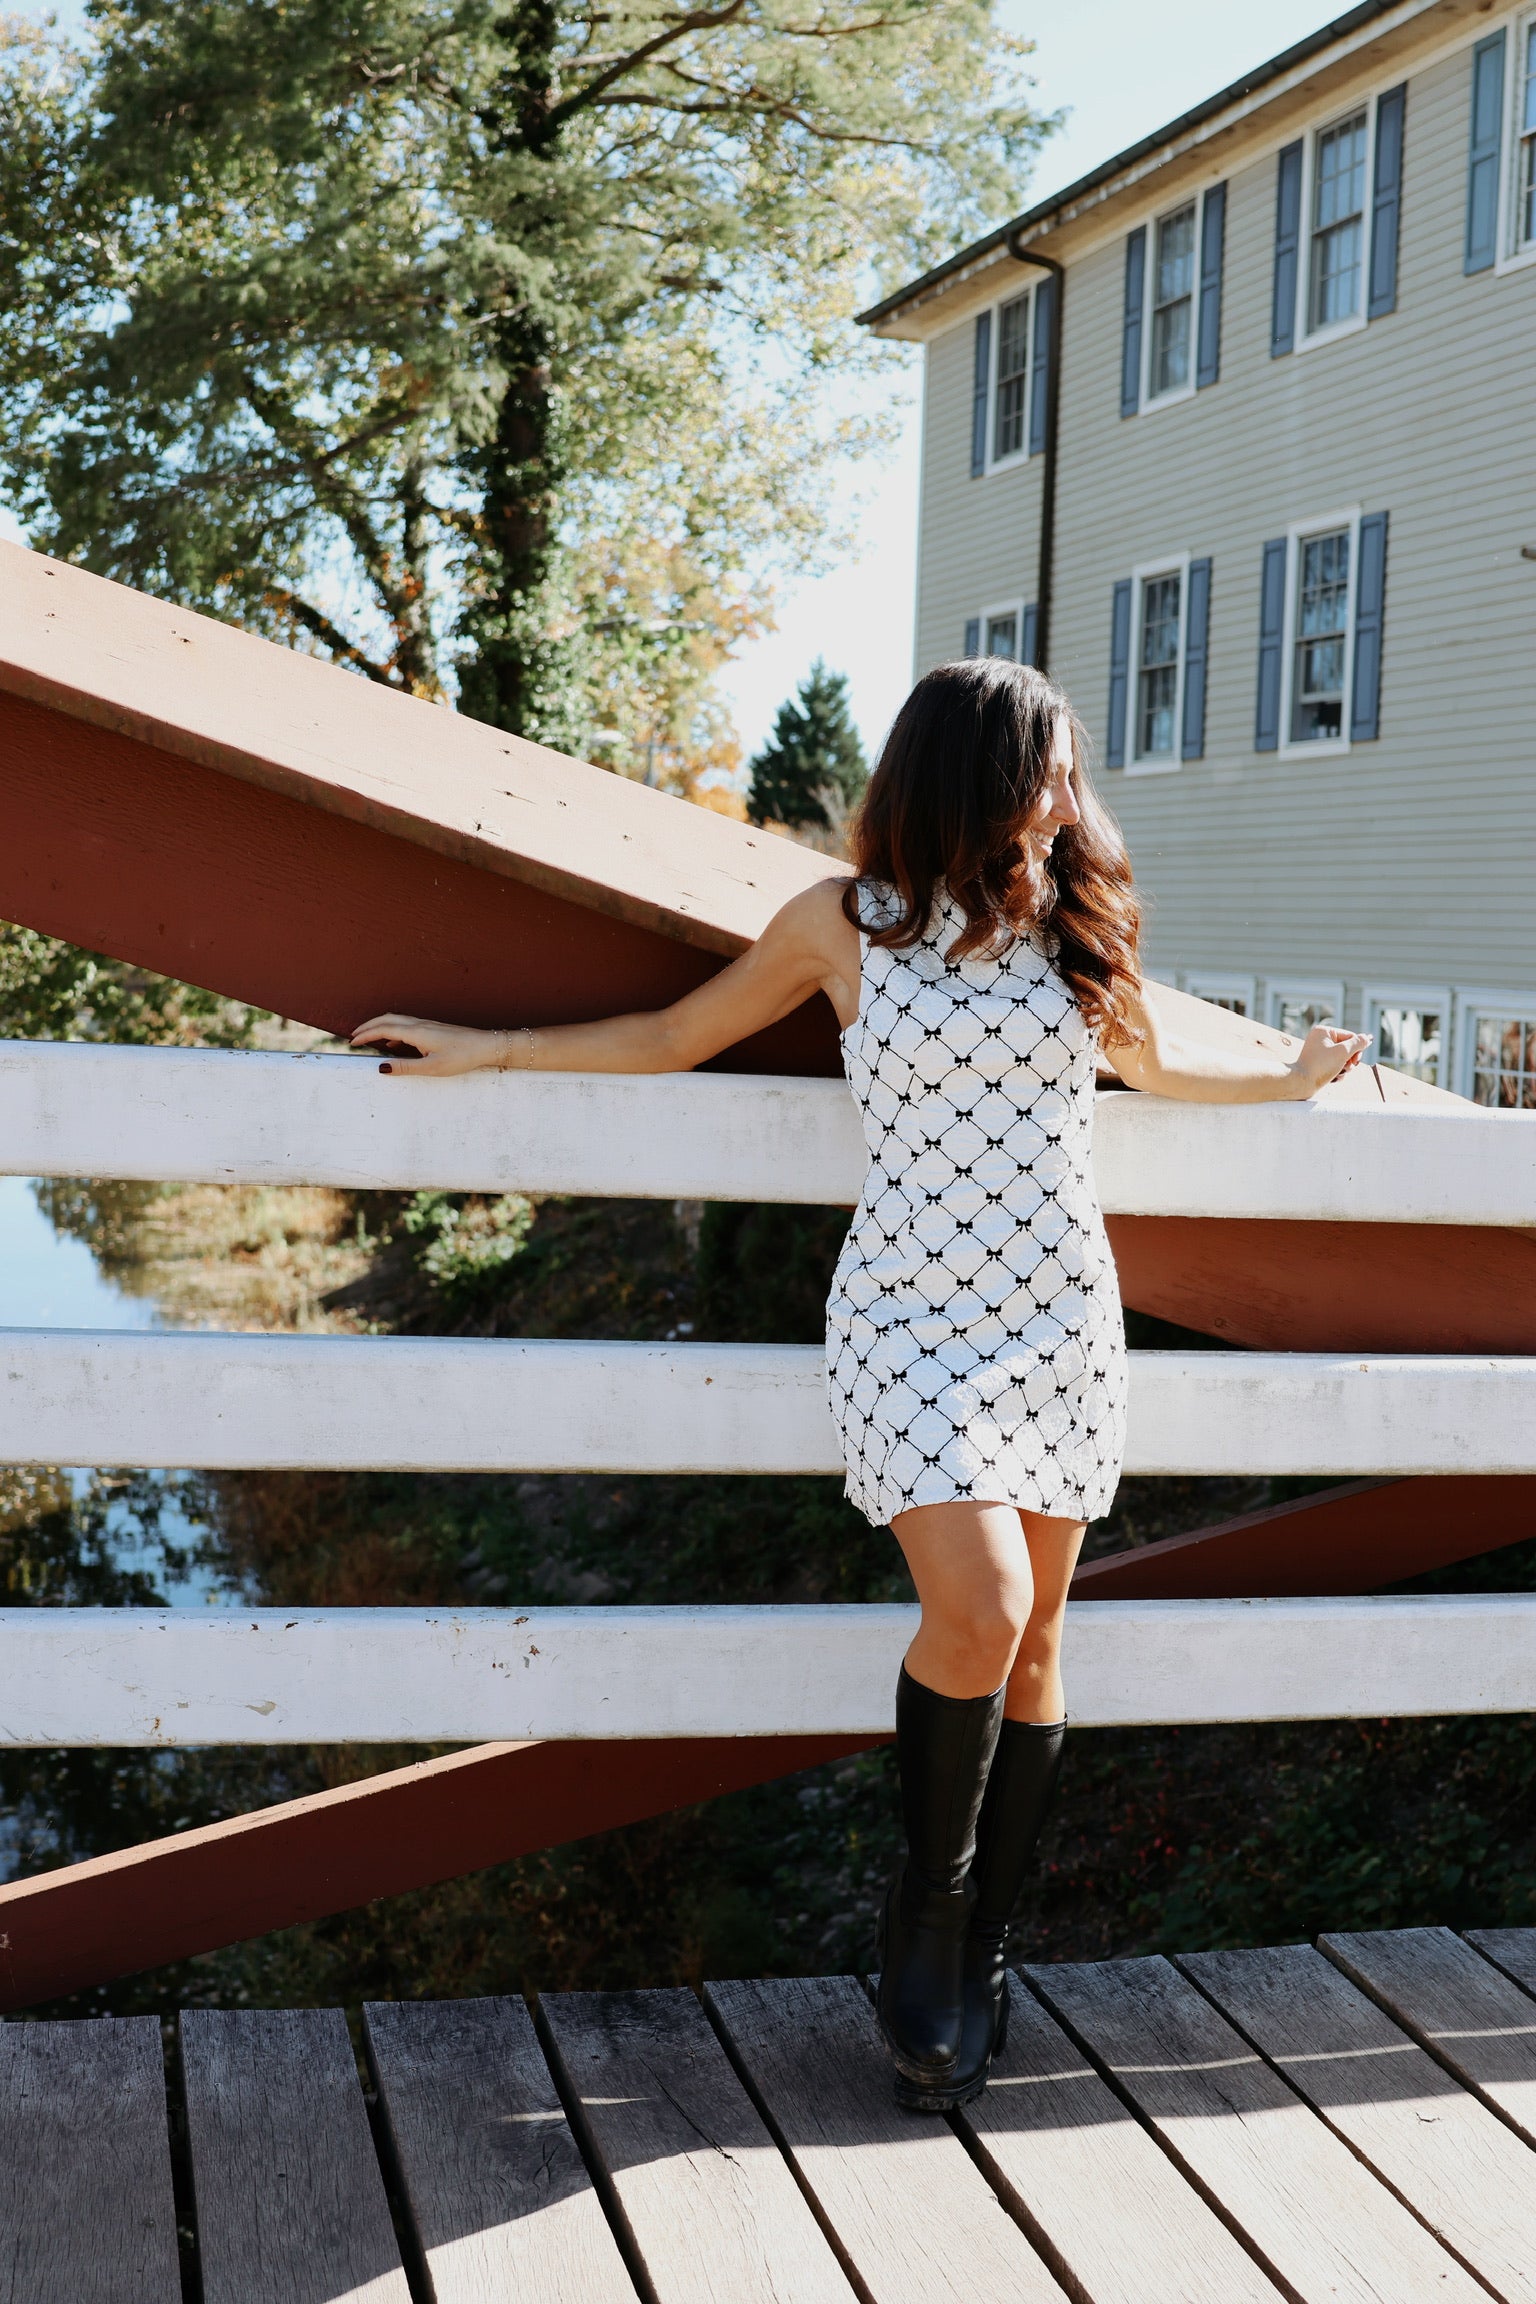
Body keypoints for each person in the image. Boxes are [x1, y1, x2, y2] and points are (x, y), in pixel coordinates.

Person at [352, 658, 1366, 2112]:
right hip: (906, 1320)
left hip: (1058, 1321)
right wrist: (493, 1048)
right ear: (971, 769)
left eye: (1069, 777)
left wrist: (1284, 1081)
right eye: (1048, 769)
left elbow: (1151, 1065)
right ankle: (930, 1912)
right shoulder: (847, 925)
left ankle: (984, 1947)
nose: (1068, 798)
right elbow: (673, 1036)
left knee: (1036, 1654)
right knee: (985, 1608)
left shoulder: (1072, 924)